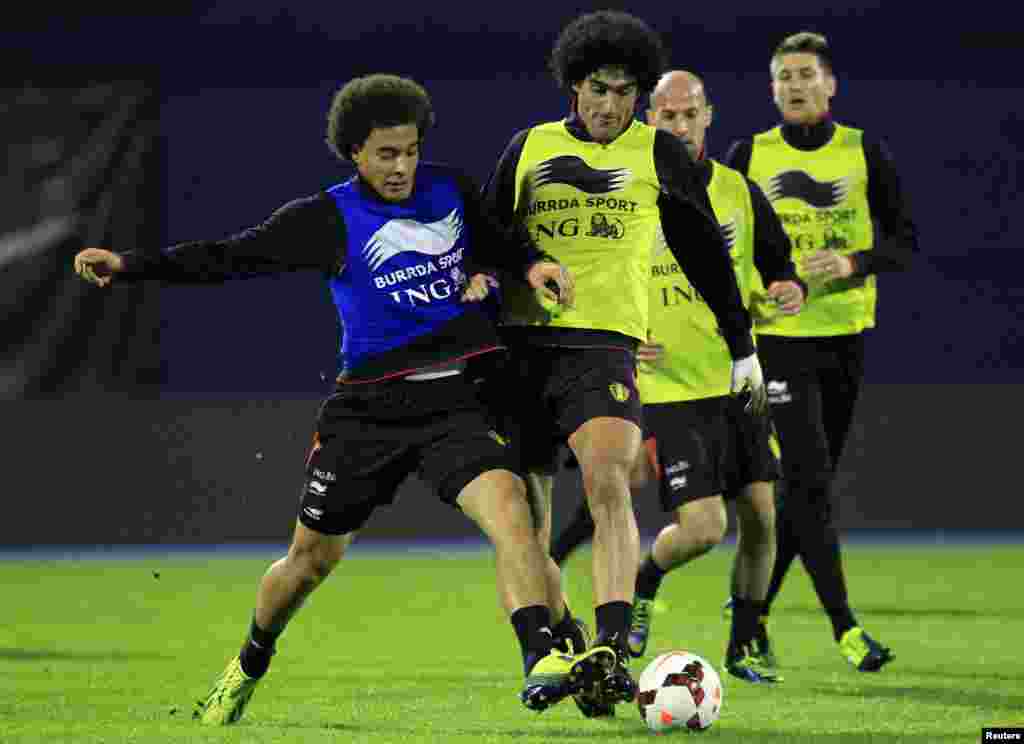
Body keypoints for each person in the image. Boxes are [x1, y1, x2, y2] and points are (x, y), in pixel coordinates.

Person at [73, 74, 612, 724]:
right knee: (308, 563)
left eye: (410, 151)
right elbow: (229, 257)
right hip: (367, 416)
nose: (401, 166)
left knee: (513, 516)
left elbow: (501, 242)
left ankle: (541, 658)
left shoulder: (450, 190)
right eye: (386, 154)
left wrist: (531, 266)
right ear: (355, 152)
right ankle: (248, 662)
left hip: (454, 406)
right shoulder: (324, 219)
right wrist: (130, 265)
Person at [481, 11, 767, 715]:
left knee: (608, 480)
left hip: (604, 345)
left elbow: (703, 250)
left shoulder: (658, 152)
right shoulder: (529, 146)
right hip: (523, 347)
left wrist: (742, 345)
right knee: (527, 523)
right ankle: (557, 647)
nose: (610, 105)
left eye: (624, 92)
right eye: (597, 89)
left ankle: (610, 649)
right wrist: (519, 266)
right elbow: (490, 238)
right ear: (573, 87)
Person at [548, 70, 805, 684]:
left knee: (763, 514)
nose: (682, 126)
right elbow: (592, 274)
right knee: (705, 527)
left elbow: (778, 267)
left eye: (691, 114)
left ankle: (747, 640)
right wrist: (619, 334)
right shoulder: (630, 189)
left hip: (737, 379)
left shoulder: (739, 192)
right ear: (651, 120)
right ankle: (644, 579)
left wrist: (787, 287)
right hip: (669, 390)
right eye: (669, 116)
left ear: (708, 116)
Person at [723, 32, 917, 671]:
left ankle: (751, 616)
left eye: (806, 74)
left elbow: (905, 244)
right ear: (772, 90)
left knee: (806, 491)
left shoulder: (863, 152)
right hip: (777, 342)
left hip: (844, 339)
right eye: (784, 76)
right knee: (808, 481)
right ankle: (845, 627)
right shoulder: (748, 155)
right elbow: (719, 239)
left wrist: (852, 262)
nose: (796, 85)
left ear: (830, 85)